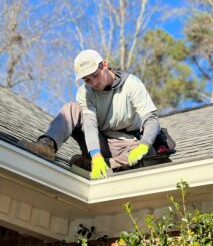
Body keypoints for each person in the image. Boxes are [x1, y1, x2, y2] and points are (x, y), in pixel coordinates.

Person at [19, 49, 160, 179]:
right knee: (72, 108)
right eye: (86, 79)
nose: (92, 83)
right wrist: (96, 156)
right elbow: (90, 126)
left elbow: (151, 119)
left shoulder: (131, 84)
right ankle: (47, 147)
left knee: (149, 153)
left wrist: (144, 144)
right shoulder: (85, 93)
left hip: (126, 145)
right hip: (98, 143)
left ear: (104, 65)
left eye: (95, 75)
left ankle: (95, 165)